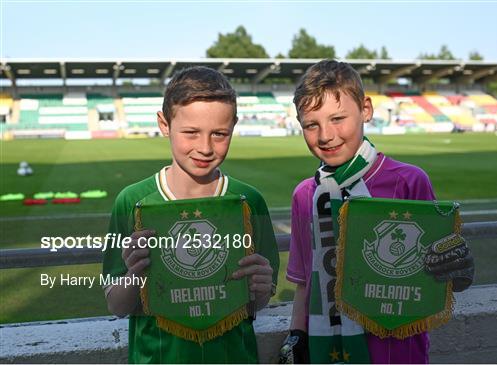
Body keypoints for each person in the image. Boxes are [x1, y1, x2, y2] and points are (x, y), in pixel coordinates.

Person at [280, 60, 474, 364]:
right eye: (311, 125)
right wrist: (296, 335)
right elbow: (305, 282)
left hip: (399, 351)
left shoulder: (409, 180)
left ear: (366, 110)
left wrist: (457, 270)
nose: (325, 135)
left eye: (338, 118)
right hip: (327, 352)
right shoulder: (305, 195)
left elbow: (445, 279)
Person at [102, 66, 279, 363]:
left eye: (219, 134)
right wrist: (134, 274)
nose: (205, 148)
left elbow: (253, 305)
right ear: (164, 123)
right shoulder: (131, 202)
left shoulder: (250, 202)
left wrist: (260, 288)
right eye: (191, 133)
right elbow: (117, 305)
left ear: (233, 126)